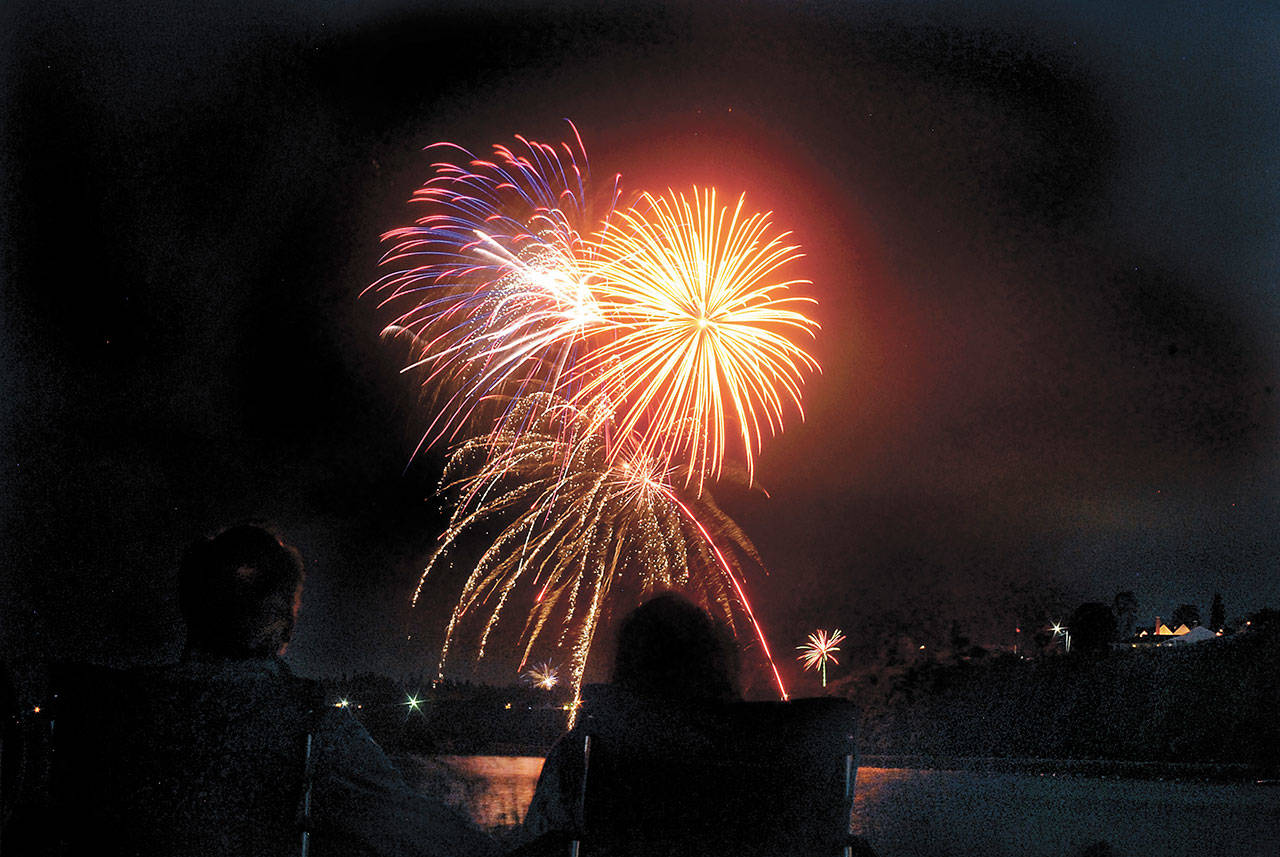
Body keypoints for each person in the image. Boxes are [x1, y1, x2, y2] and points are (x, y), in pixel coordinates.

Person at [52, 524, 498, 857]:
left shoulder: (112, 711)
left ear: (190, 609)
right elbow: (418, 831)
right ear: (286, 619)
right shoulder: (312, 727)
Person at [519, 592, 740, 844]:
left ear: (624, 663)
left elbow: (540, 838)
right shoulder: (746, 755)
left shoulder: (580, 755)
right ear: (716, 665)